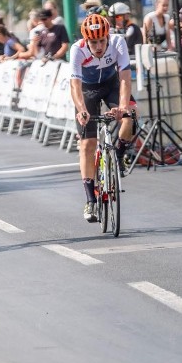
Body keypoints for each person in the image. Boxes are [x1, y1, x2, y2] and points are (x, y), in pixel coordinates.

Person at [69, 14, 136, 222]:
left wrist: (123, 106)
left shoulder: (118, 42)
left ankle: (119, 155)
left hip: (111, 85)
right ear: (86, 41)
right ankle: (90, 200)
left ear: (108, 37)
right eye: (93, 42)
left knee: (130, 116)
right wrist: (81, 109)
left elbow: (125, 78)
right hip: (88, 91)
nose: (98, 46)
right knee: (87, 144)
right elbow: (75, 85)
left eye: (101, 41)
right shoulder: (77, 50)